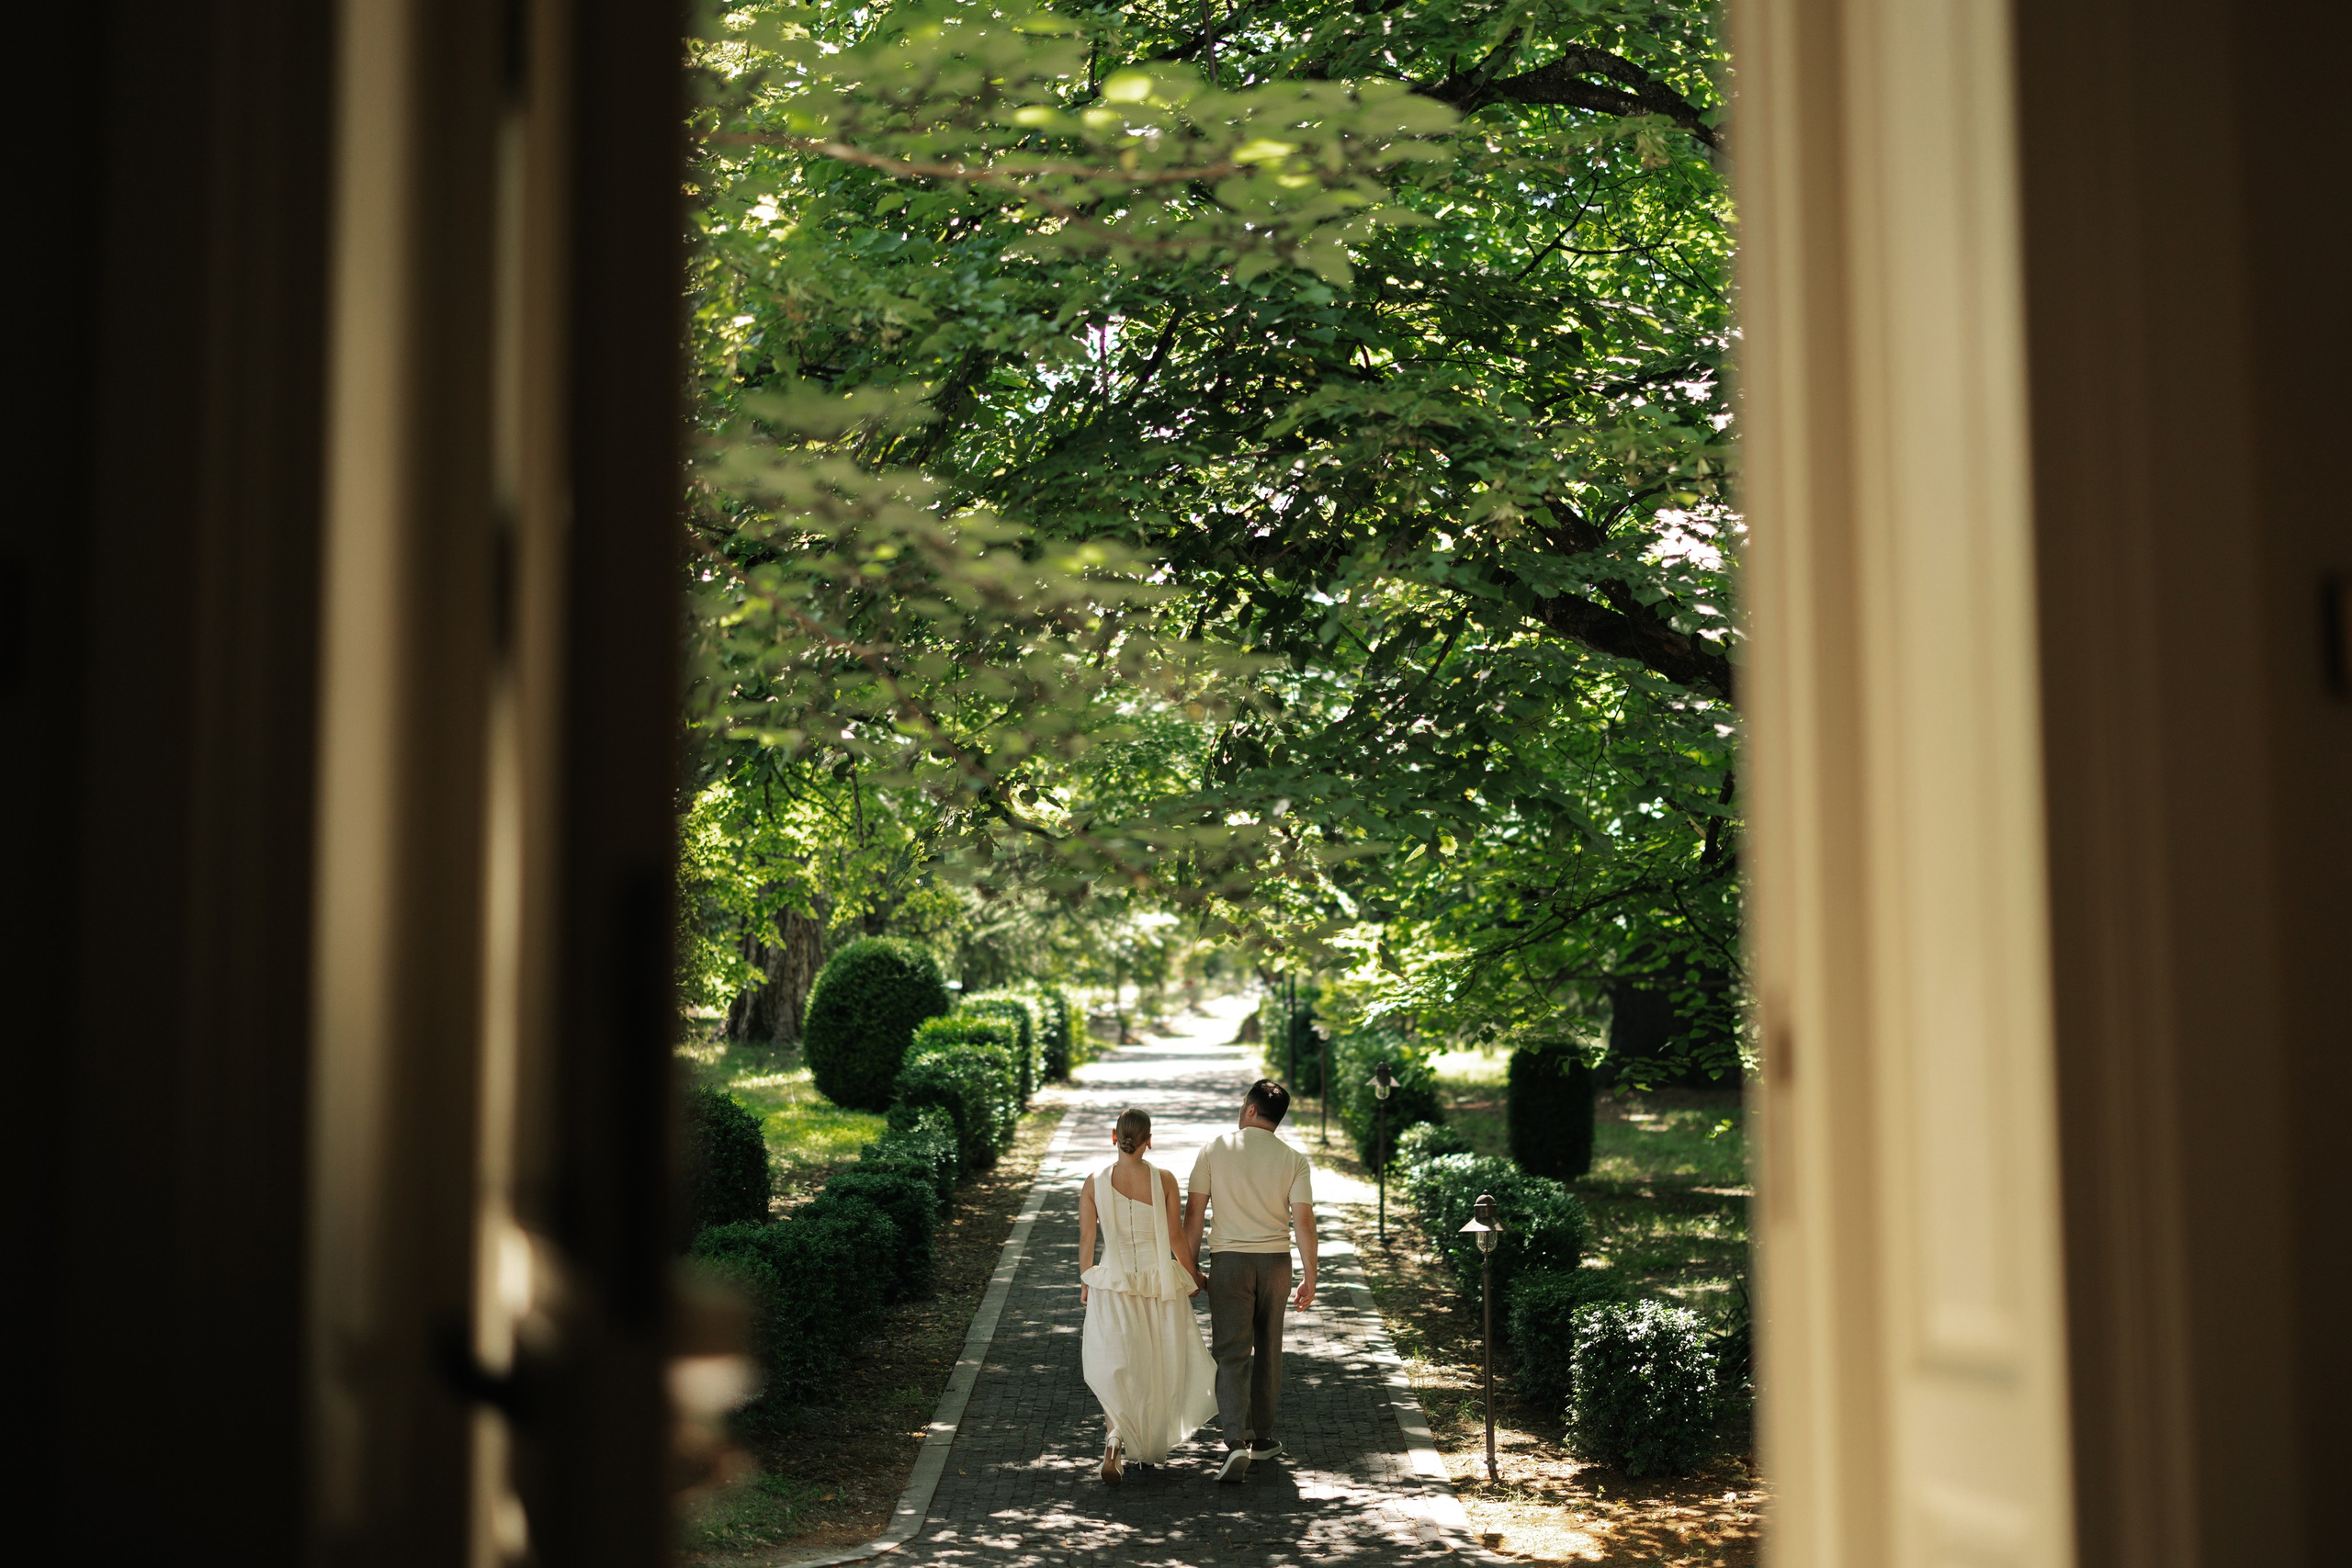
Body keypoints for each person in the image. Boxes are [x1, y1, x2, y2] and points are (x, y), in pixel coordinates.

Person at [1183, 1078, 1317, 1483]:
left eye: (1244, 1105)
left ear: (1252, 1110)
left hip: (1229, 1263)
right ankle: (1262, 1438)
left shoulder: (1215, 1150)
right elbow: (1304, 1221)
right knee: (1269, 1349)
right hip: (1276, 1263)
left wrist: (1189, 1269)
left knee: (1231, 1352)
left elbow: (1194, 1215)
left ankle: (1236, 1442)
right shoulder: (1294, 1159)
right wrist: (1311, 1273)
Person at [1078, 1108, 1218, 1485]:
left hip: (1112, 1284)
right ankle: (1145, 1443)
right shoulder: (1164, 1180)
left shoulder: (1094, 1182)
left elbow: (1087, 1241)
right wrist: (1193, 1276)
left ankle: (1115, 1436)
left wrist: (1085, 1282)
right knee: (1154, 1363)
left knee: (1115, 1364)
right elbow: (1175, 1238)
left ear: (1114, 1136)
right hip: (1157, 1286)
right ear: (1149, 1140)